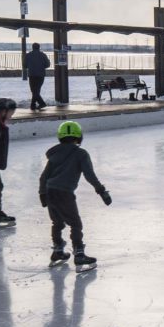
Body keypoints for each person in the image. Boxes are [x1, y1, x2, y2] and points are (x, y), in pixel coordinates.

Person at [38, 121, 112, 273]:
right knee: (75, 224)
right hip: (64, 193)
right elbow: (89, 175)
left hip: (50, 191)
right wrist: (101, 191)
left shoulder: (55, 154)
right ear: (78, 136)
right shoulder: (81, 154)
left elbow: (43, 177)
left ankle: (58, 250)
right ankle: (79, 254)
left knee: (57, 222)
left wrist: (42, 194)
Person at [25, 43, 51, 111]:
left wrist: (31, 66)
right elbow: (47, 65)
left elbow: (24, 65)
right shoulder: (43, 55)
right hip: (41, 75)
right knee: (36, 90)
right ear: (39, 47)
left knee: (34, 90)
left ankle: (40, 104)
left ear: (32, 47)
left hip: (32, 75)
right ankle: (33, 105)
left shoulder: (28, 55)